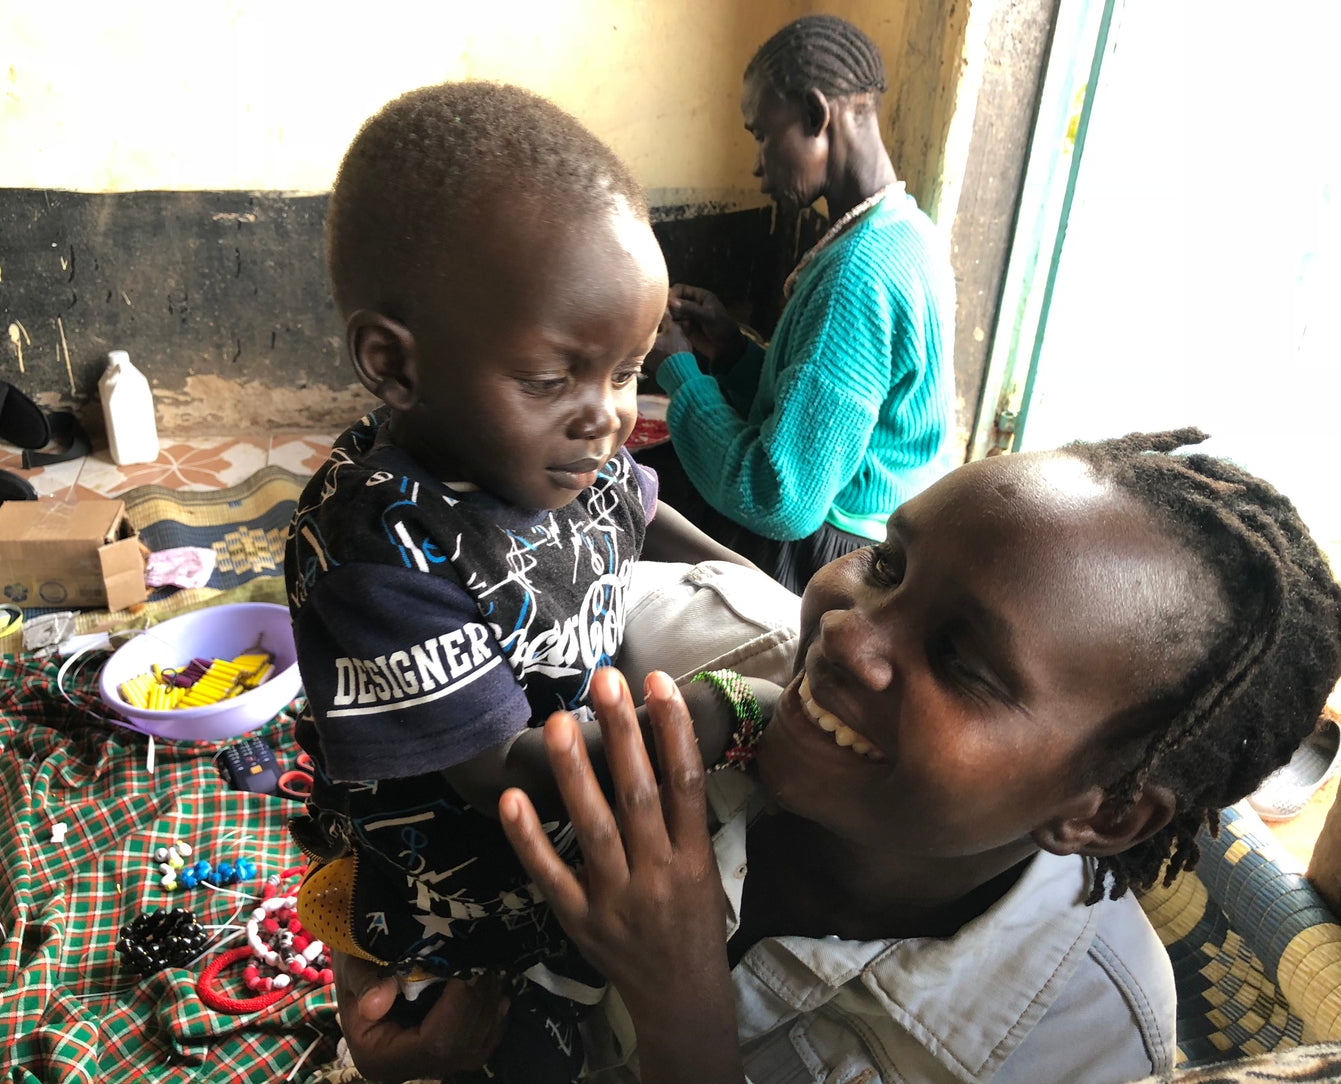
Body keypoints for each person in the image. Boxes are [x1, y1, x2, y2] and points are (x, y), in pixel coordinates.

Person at [322, 428, 1341, 1083]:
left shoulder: (1075, 1042)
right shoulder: (713, 679)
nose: (849, 633)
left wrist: (684, 1018)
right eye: (888, 564)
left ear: (1105, 814)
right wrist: (426, 1048)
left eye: (960, 658)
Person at [284, 82, 765, 1084]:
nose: (603, 417)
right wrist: (721, 715)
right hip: (447, 907)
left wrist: (753, 584)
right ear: (395, 364)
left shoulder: (557, 457)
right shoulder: (376, 539)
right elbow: (493, 771)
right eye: (554, 379)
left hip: (562, 863)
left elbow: (643, 508)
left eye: (627, 371)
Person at [640, 14, 957, 593]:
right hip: (873, 529)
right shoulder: (906, 231)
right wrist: (732, 352)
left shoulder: (857, 275)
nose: (758, 168)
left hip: (826, 555)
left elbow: (779, 495)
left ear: (816, 115)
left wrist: (680, 374)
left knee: (628, 506)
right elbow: (831, 411)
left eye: (762, 134)